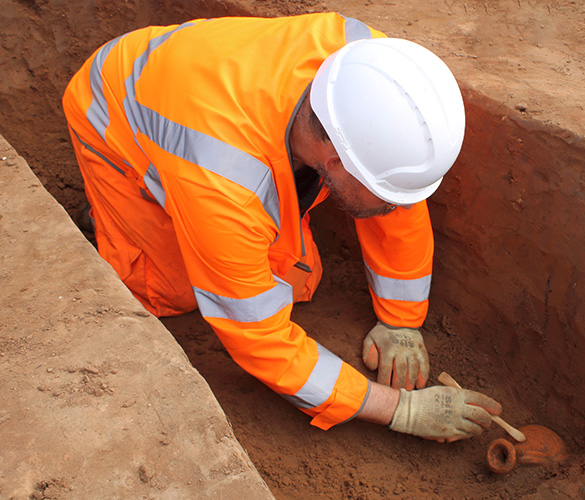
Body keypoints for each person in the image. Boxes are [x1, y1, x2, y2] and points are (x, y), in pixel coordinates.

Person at [62, 13, 501, 441]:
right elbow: (258, 338)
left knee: (291, 274)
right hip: (114, 116)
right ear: (334, 163)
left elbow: (397, 199)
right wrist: (397, 409)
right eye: (388, 197)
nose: (396, 208)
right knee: (171, 290)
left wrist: (402, 321)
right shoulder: (224, 182)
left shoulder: (376, 74)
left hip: (198, 92)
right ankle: (112, 210)